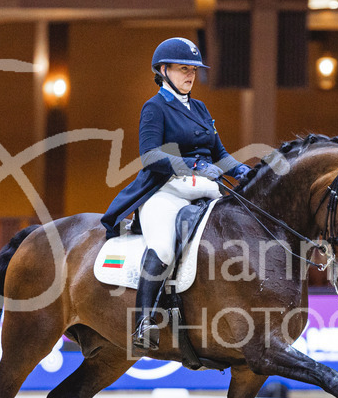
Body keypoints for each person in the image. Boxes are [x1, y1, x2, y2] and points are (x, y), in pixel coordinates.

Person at [100, 37, 251, 350]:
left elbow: (220, 153)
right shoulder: (155, 107)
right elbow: (150, 156)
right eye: (184, 69)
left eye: (193, 70)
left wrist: (245, 172)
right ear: (164, 70)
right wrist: (192, 165)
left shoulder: (200, 107)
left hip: (206, 190)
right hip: (165, 191)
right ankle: (143, 323)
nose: (190, 75)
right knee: (165, 248)